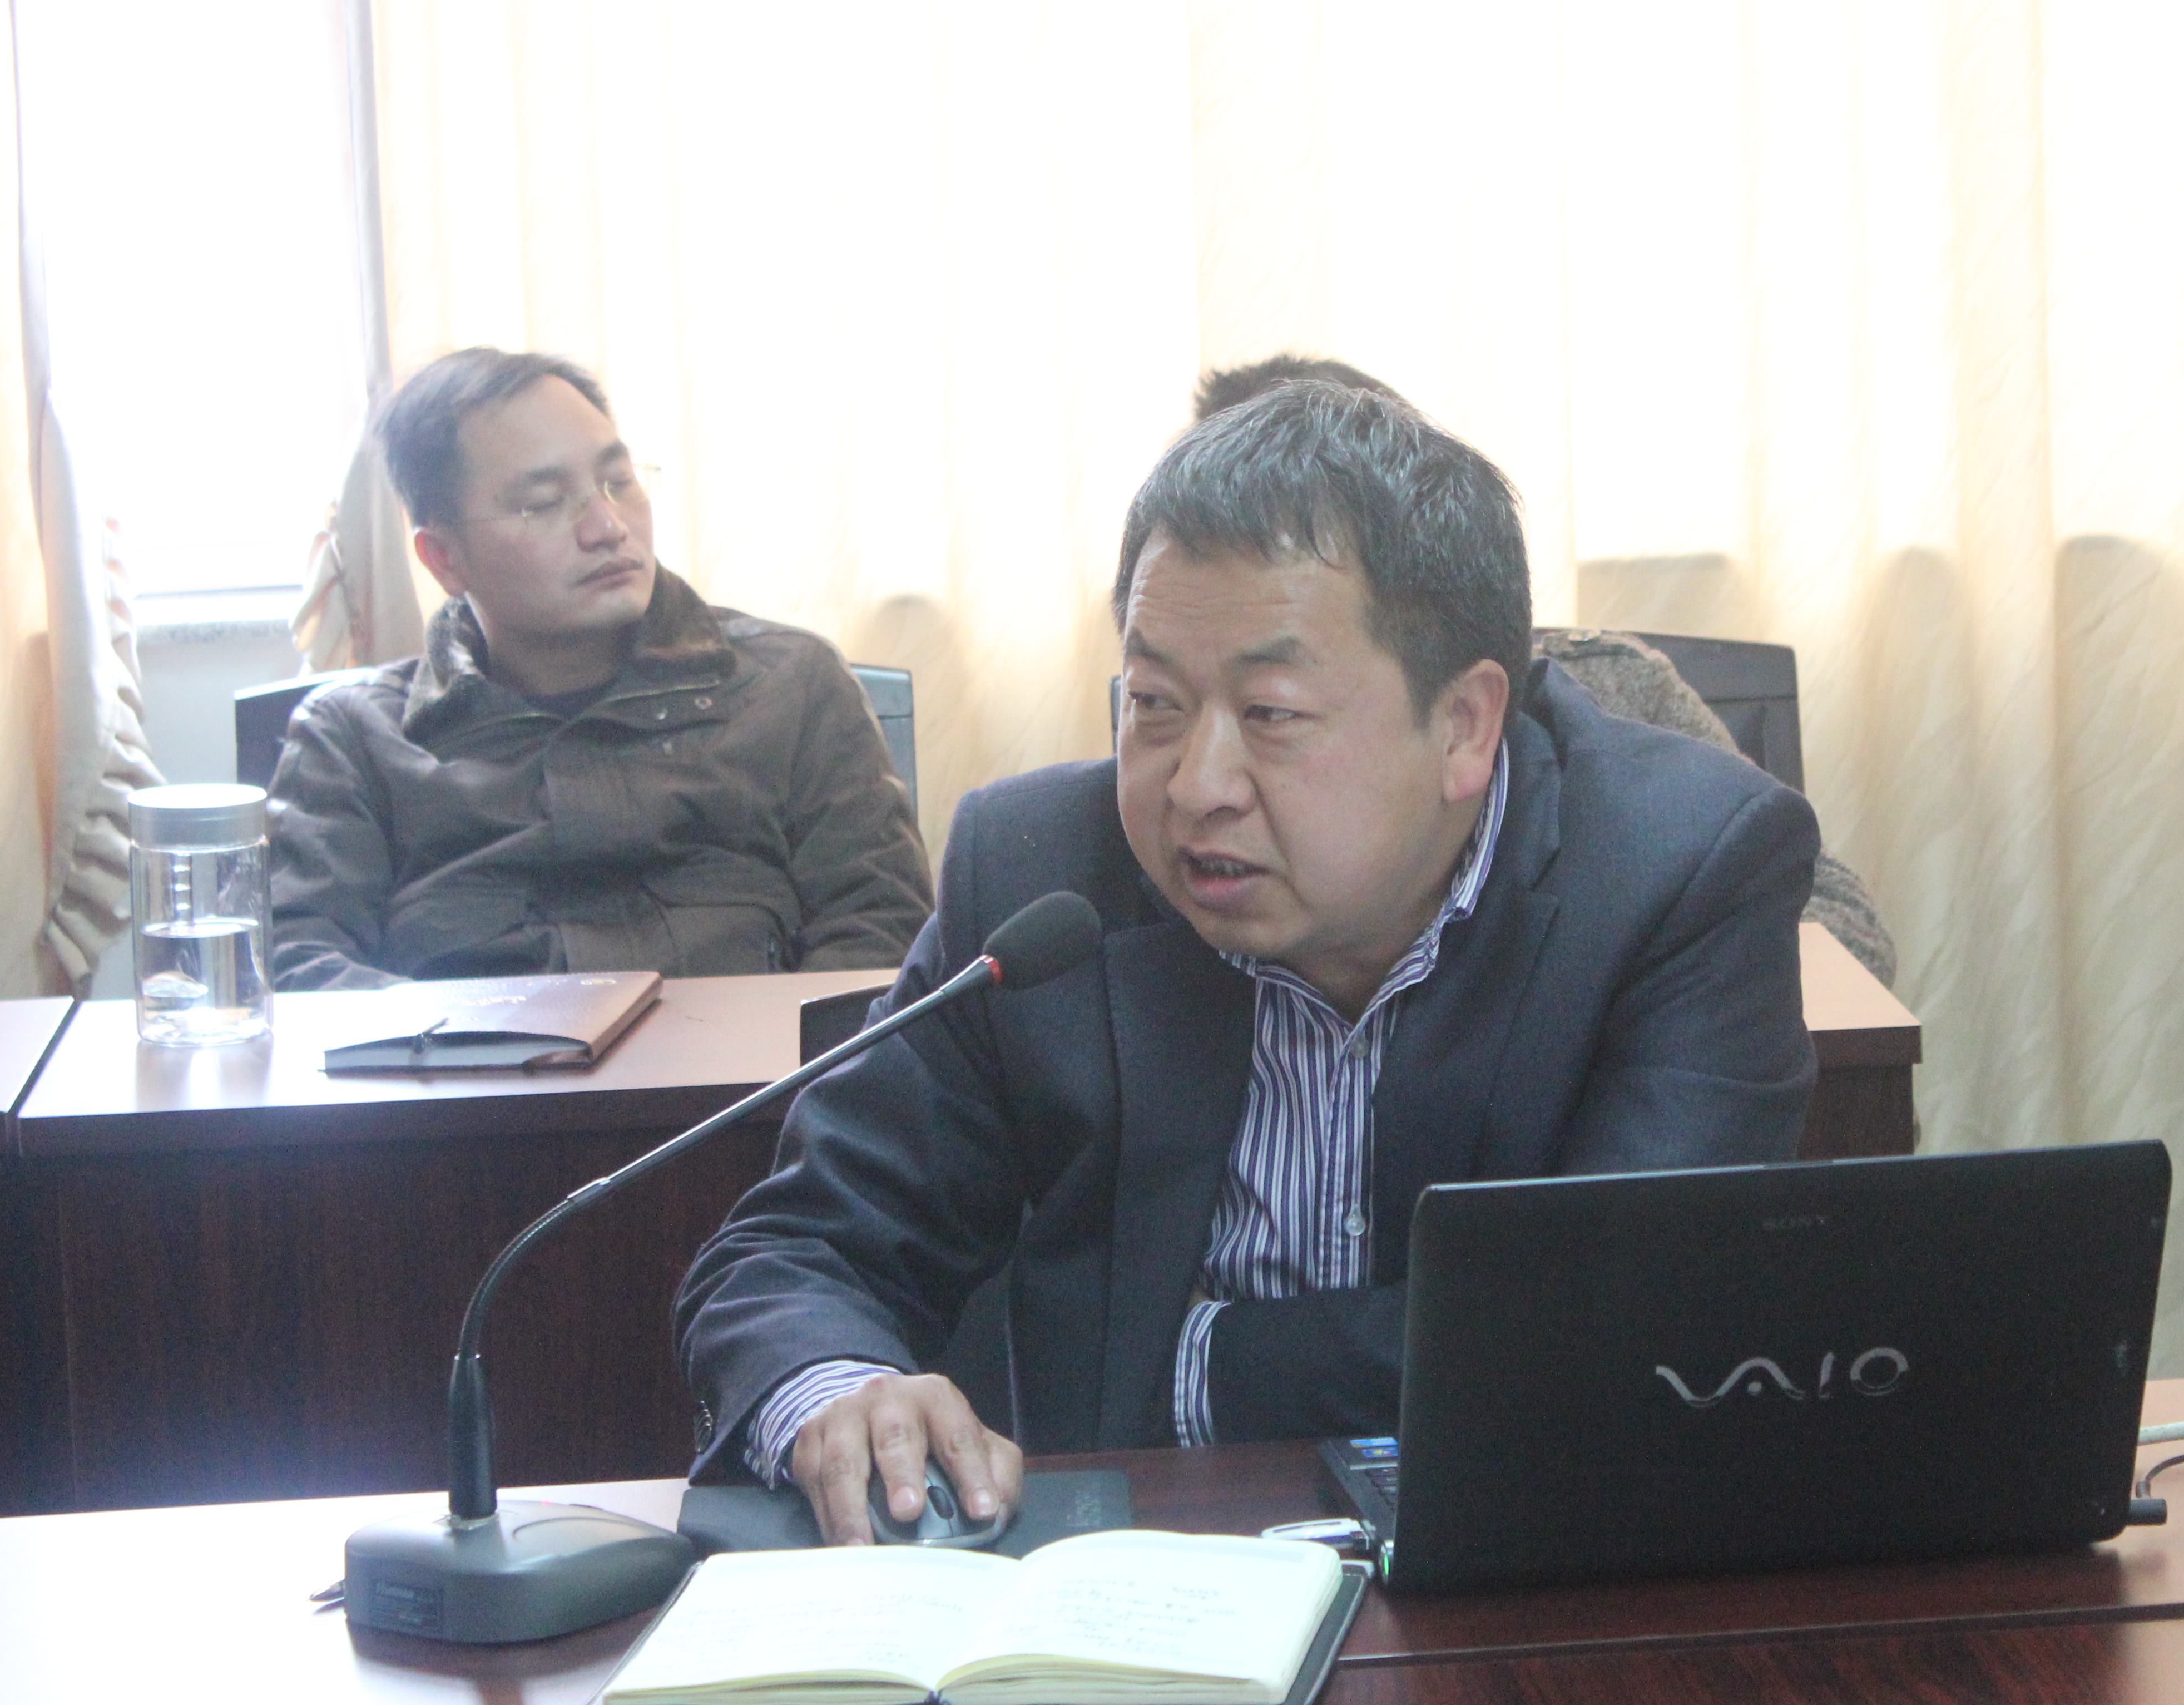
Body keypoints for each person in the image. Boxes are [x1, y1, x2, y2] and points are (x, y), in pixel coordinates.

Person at [675, 379, 1820, 1545]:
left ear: (1465, 727)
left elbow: (1622, 1333)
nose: (1195, 785)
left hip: (1519, 1552)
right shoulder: (1036, 877)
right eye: (1154, 702)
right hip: (1127, 1573)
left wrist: (1192, 1364)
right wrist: (840, 1391)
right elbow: (798, 1249)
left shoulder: (1676, 871)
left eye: (1270, 714)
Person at [1196, 355, 1899, 987]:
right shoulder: (1176, 767)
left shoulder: (1617, 688)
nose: (1203, 782)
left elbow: (1848, 931)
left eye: (1273, 710)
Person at [265, 348, 934, 990]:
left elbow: (882, 941)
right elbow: (302, 974)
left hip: (769, 1073)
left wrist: (778, 1065)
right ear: (445, 559)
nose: (608, 528)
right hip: (467, 1074)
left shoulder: (790, 687)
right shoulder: (355, 740)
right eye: (543, 503)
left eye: (618, 484)